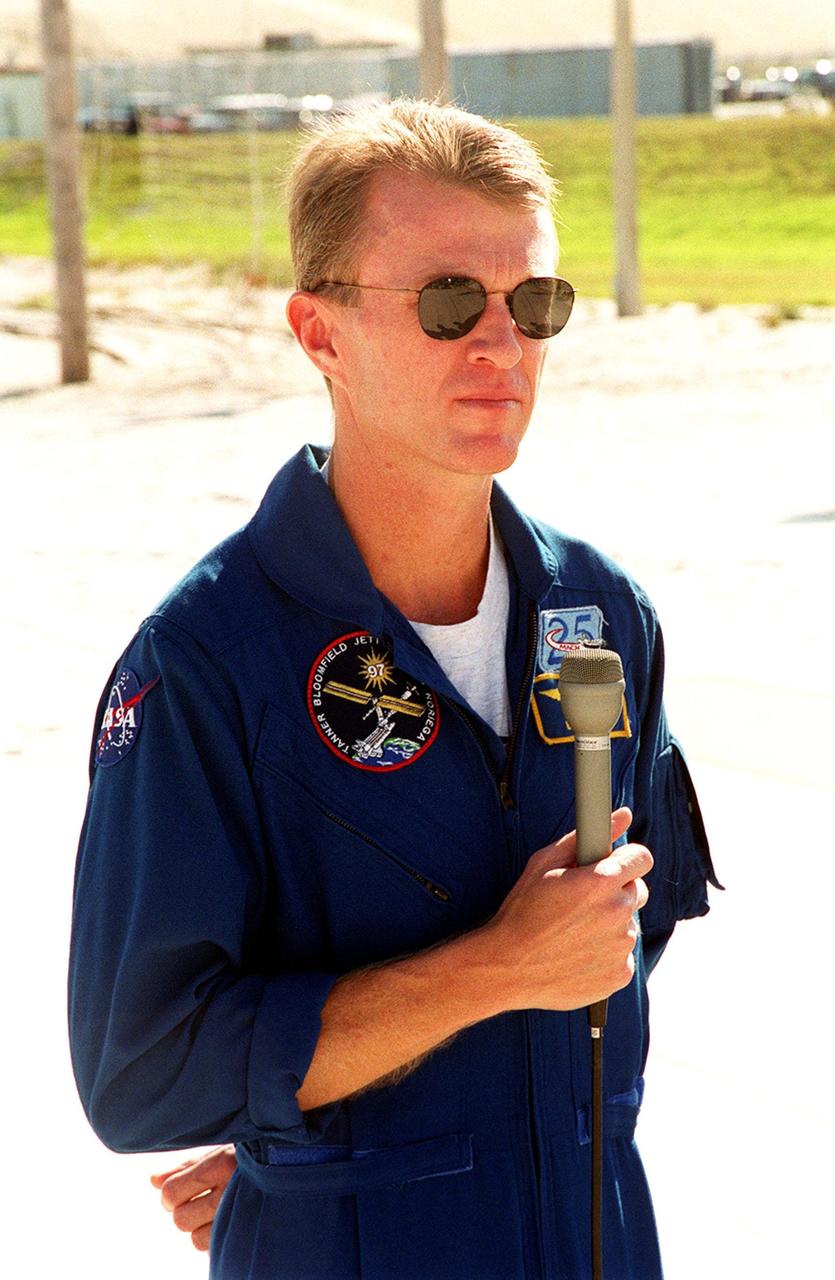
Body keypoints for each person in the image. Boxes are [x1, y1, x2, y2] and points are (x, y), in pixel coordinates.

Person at [69, 99, 718, 1279]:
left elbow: (628, 926)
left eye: (534, 304)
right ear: (319, 335)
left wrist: (320, 1105)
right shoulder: (210, 657)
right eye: (445, 302)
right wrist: (348, 1123)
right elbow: (142, 1066)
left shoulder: (603, 611)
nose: (499, 343)